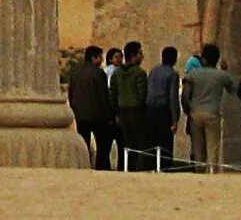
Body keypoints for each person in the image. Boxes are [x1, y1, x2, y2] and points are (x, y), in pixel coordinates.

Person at [180, 44, 238, 173]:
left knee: (198, 147)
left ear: (203, 59)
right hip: (213, 112)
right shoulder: (221, 75)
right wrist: (225, 70)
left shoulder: (193, 74)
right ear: (216, 59)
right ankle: (212, 172)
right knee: (213, 146)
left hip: (195, 113)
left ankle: (199, 171)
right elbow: (232, 89)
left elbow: (185, 94)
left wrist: (187, 110)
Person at [65, 41, 115, 169]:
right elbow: (103, 96)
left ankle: (84, 166)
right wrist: (109, 116)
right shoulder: (98, 73)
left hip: (81, 114)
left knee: (84, 144)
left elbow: (71, 93)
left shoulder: (75, 72)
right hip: (98, 116)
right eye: (100, 57)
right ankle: (102, 167)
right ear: (94, 57)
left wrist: (74, 109)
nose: (102, 60)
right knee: (103, 146)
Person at [110, 40, 151, 170]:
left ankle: (126, 168)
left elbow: (112, 95)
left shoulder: (116, 73)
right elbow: (142, 95)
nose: (142, 56)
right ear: (133, 56)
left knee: (126, 145)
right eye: (140, 53)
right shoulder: (140, 73)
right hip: (137, 113)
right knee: (140, 145)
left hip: (122, 113)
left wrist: (116, 112)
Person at [147, 44, 183, 169]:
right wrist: (175, 118)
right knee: (165, 142)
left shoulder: (153, 71)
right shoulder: (172, 74)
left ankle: (151, 165)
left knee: (152, 140)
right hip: (164, 110)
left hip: (150, 109)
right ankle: (164, 166)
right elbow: (173, 97)